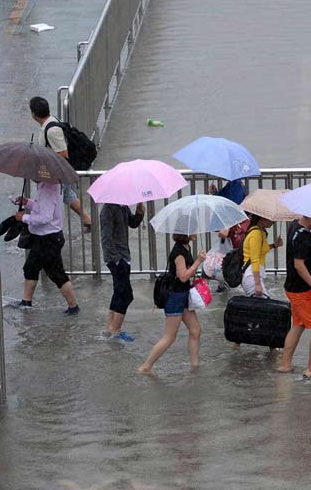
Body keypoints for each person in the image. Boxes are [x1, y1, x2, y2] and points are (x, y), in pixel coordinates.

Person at [138, 234, 205, 374]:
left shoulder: (186, 248)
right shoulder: (179, 252)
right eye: (193, 229)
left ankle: (195, 366)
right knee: (170, 336)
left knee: (195, 330)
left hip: (184, 295)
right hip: (175, 296)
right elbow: (183, 277)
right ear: (185, 233)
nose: (196, 232)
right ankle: (146, 366)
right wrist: (198, 261)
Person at [13, 181, 79, 314]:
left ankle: (73, 306)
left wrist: (24, 217)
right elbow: (41, 207)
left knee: (57, 274)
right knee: (31, 267)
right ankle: (26, 301)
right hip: (43, 237)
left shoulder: (49, 188)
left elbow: (45, 217)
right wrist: (27, 202)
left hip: (48, 239)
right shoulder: (46, 186)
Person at [278, 216, 311, 379]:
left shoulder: (295, 226)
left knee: (299, 324)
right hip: (303, 289)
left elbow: (299, 251)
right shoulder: (303, 237)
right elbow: (299, 265)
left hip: (292, 287)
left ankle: (285, 364)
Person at [29, 97, 92, 228]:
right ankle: (87, 220)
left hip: (58, 171)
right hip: (56, 171)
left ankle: (86, 219)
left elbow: (63, 153)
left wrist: (49, 168)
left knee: (63, 195)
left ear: (34, 114)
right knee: (66, 195)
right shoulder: (49, 123)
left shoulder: (52, 130)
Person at [100, 202, 145, 342]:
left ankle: (109, 329)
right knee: (126, 295)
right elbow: (106, 237)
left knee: (119, 292)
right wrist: (117, 260)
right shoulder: (108, 209)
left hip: (123, 256)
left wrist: (139, 212)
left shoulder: (122, 206)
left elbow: (132, 223)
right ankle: (116, 332)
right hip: (117, 258)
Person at [242, 213, 283, 297]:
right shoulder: (256, 233)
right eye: (271, 219)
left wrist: (274, 245)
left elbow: (261, 251)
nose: (273, 222)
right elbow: (254, 259)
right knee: (265, 306)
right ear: (262, 218)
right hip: (252, 276)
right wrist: (257, 284)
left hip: (253, 275)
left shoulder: (260, 232)